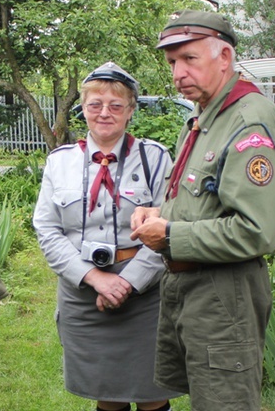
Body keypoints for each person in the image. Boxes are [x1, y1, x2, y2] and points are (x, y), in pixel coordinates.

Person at [130, 10, 275, 410]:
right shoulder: (206, 116)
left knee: (226, 403)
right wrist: (160, 212)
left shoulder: (248, 122)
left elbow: (257, 230)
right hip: (195, 290)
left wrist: (169, 236)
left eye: (189, 59)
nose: (177, 74)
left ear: (224, 58)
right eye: (172, 63)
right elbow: (206, 195)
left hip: (225, 294)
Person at [33, 62, 180, 411]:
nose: (104, 113)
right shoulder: (60, 162)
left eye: (116, 105)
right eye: (95, 104)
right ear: (82, 108)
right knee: (106, 392)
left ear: (130, 111)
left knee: (151, 394)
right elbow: (47, 228)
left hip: (144, 294)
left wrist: (127, 283)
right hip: (83, 291)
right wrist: (95, 279)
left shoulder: (155, 158)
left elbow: (169, 228)